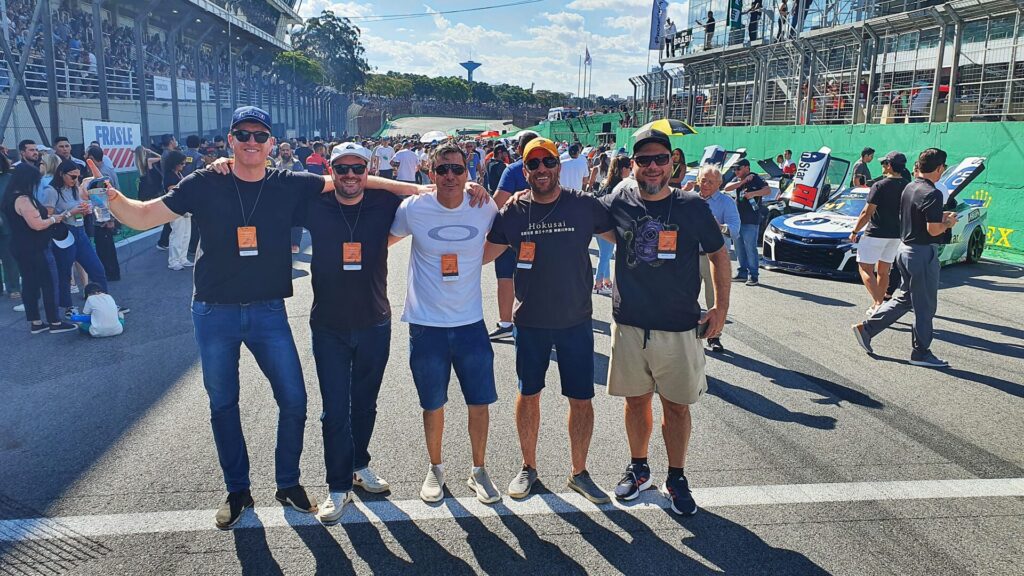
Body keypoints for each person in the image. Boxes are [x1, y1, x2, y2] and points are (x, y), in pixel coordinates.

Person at [600, 128, 730, 516]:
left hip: (678, 326)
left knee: (676, 407)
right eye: (644, 160)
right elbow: (579, 212)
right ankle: (639, 467)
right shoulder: (619, 199)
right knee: (635, 401)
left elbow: (719, 256)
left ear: (673, 162)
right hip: (630, 324)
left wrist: (720, 308)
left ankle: (676, 476)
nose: (653, 167)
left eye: (660, 159)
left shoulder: (691, 206)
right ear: (633, 165)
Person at [485, 137, 614, 504]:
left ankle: (579, 472)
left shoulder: (583, 206)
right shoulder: (513, 211)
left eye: (548, 162)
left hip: (576, 320)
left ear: (559, 165)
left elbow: (624, 237)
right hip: (530, 322)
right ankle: (528, 467)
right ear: (524, 171)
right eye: (534, 164)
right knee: (528, 394)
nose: (541, 169)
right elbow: (481, 253)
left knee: (582, 399)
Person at [389, 142, 502, 505]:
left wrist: (472, 264)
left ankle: (479, 470)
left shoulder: (483, 206)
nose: (450, 176)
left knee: (479, 402)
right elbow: (384, 242)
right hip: (426, 325)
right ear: (430, 171)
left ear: (468, 172)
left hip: (470, 322)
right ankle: (435, 468)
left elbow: (501, 241)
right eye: (443, 170)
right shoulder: (414, 208)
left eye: (457, 169)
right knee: (432, 403)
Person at [299, 142, 404, 523]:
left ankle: (360, 464)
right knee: (333, 412)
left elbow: (420, 195)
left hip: (375, 320)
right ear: (331, 170)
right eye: (341, 169)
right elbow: (273, 184)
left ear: (368, 168)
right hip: (328, 325)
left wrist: (437, 187)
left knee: (365, 404)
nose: (349, 176)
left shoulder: (383, 202)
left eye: (357, 168)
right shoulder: (315, 203)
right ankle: (338, 485)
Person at [853, 148, 958, 368]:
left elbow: (917, 217)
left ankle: (867, 328)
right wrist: (947, 222)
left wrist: (939, 218)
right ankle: (921, 353)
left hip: (905, 249)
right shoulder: (933, 192)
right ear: (939, 168)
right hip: (921, 252)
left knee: (905, 299)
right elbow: (932, 229)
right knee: (925, 306)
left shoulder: (911, 187)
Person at [2, 163, 77, 334]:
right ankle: (54, 322)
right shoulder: (23, 199)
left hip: (19, 246)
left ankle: (36, 322)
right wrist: (53, 220)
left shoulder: (9, 197)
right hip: (36, 246)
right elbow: (36, 225)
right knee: (50, 282)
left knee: (30, 283)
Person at [489, 130, 541, 340]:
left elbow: (498, 202)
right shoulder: (549, 167)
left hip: (511, 236)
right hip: (540, 234)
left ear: (518, 149)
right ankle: (537, 320)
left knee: (505, 277)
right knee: (538, 277)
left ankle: (505, 322)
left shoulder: (513, 169)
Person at [41, 160, 109, 316]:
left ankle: (105, 301)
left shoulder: (73, 189)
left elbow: (79, 205)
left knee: (97, 268)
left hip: (80, 231)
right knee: (64, 272)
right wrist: (69, 213)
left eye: (77, 177)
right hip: (64, 233)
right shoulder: (51, 190)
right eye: (72, 177)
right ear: (61, 174)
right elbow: (47, 217)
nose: (75, 180)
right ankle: (67, 307)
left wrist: (86, 208)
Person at [685, 163, 741, 353]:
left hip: (713, 258)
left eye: (711, 181)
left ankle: (714, 336)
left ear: (719, 183)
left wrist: (720, 227)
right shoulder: (690, 199)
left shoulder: (726, 202)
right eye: (703, 180)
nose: (706, 184)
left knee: (713, 298)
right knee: (685, 296)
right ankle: (684, 333)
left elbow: (735, 230)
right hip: (689, 256)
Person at [849, 151, 907, 314]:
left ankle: (879, 303)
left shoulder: (879, 185)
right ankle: (877, 306)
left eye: (883, 163)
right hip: (896, 234)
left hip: (875, 232)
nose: (882, 166)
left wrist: (855, 230)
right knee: (884, 270)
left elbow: (866, 213)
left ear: (889, 165)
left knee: (865, 268)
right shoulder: (906, 185)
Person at [723, 159, 769, 285]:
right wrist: (742, 182)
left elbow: (767, 191)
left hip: (751, 220)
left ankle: (753, 275)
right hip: (738, 219)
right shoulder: (739, 179)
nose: (736, 171)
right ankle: (742, 272)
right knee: (739, 248)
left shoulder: (756, 178)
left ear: (747, 168)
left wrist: (754, 193)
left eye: (738, 169)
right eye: (734, 169)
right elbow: (726, 188)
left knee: (750, 248)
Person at [592, 154, 631, 295]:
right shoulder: (621, 186)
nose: (630, 170)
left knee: (605, 254)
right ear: (624, 169)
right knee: (605, 256)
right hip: (608, 225)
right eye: (629, 167)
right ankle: (597, 284)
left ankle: (606, 280)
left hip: (597, 225)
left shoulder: (605, 182)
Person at [162, 150, 191, 270]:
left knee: (186, 234)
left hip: (185, 208)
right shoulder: (169, 175)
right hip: (175, 209)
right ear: (175, 163)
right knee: (177, 235)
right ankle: (173, 261)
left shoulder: (179, 174)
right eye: (182, 163)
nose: (184, 165)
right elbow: (172, 190)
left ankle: (182, 258)